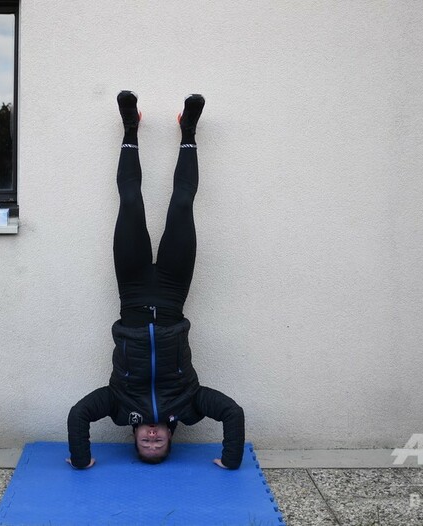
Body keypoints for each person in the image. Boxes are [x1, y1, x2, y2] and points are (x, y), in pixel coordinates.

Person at [66, 91, 245, 470]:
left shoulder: (116, 403)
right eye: (157, 446)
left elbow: (79, 414)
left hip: (131, 292)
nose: (150, 439)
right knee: (182, 204)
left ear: (132, 437)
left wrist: (81, 460)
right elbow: (232, 412)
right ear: (169, 438)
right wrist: (231, 461)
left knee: (130, 201)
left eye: (145, 445)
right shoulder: (191, 403)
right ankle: (189, 132)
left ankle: (130, 127)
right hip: (171, 293)